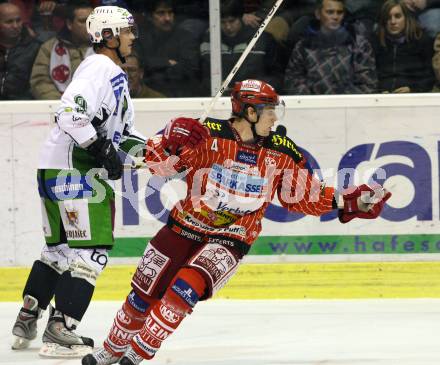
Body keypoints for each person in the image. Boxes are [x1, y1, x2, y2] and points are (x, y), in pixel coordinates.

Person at [82, 78, 391, 365]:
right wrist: (171, 139)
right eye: (269, 111)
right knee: (144, 291)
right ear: (250, 112)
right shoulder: (208, 136)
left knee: (185, 288)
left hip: (234, 235)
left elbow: (301, 195)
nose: (275, 118)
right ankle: (112, 347)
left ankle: (137, 353)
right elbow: (158, 164)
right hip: (186, 223)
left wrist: (348, 200)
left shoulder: (282, 152)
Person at [11, 5, 145, 358]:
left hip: (53, 167)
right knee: (90, 252)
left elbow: (120, 136)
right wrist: (101, 150)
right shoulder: (101, 68)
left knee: (58, 251)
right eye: (126, 31)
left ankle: (29, 316)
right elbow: (70, 111)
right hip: (78, 172)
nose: (133, 37)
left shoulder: (105, 70)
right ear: (109, 36)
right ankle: (61, 330)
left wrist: (161, 153)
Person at [284, 0, 377, 95]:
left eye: (339, 12)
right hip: (312, 106)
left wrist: (339, 103)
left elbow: (368, 84)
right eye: (330, 12)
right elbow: (292, 80)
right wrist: (313, 101)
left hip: (348, 107)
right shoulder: (303, 46)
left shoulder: (360, 44)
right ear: (318, 14)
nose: (335, 17)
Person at [200, 0, 283, 95]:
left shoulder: (262, 39)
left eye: (232, 21)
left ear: (241, 18)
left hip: (254, 98)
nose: (228, 27)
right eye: (223, 22)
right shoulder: (209, 41)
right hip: (218, 100)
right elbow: (201, 78)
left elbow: (277, 78)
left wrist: (252, 87)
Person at [30, 0, 94, 100]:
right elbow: (40, 81)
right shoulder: (49, 47)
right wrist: (62, 105)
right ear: (69, 24)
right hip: (59, 108)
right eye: (83, 21)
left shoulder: (108, 47)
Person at [136, 0, 199, 97]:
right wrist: (167, 63)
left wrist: (154, 68)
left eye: (170, 12)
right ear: (150, 16)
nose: (167, 18)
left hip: (181, 95)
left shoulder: (185, 36)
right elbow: (138, 65)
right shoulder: (141, 37)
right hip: (148, 96)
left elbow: (190, 68)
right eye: (161, 13)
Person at [372, 0, 435, 93]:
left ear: (406, 18)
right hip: (381, 98)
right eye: (388, 17)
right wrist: (378, 91)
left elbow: (430, 76)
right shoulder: (376, 42)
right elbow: (370, 75)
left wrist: (413, 89)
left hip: (413, 97)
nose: (393, 22)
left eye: (397, 16)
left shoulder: (422, 41)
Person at [0, 2, 40, 100]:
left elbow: (37, 83)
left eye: (18, 20)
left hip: (23, 104)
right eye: (9, 22)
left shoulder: (35, 48)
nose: (15, 25)